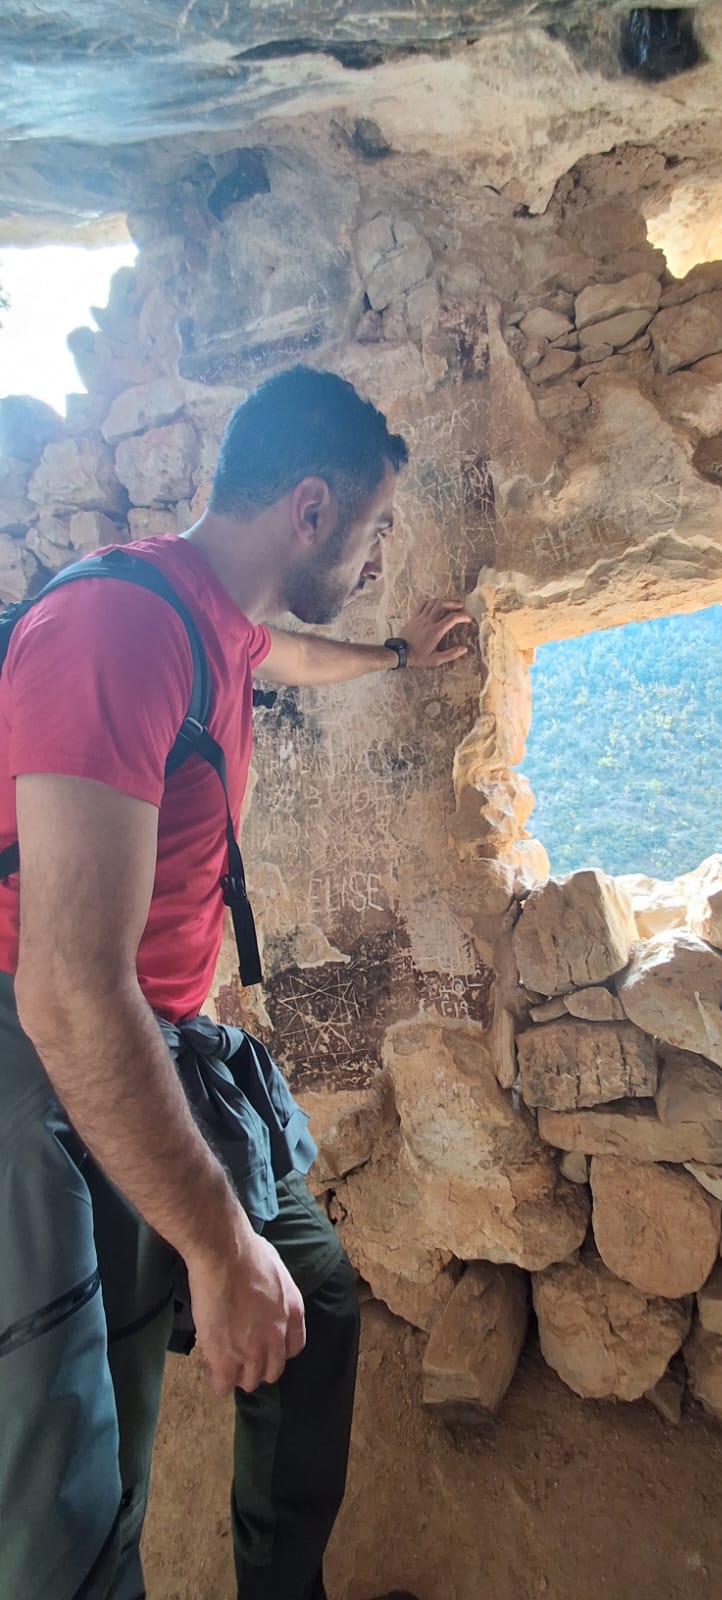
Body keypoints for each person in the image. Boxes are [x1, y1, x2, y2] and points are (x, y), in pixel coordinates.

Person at [0, 364, 472, 1600]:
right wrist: (214, 1247)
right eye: (373, 527)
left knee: (310, 1295)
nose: (378, 555)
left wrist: (394, 653)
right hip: (49, 1064)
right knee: (87, 1469)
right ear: (311, 509)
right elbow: (66, 991)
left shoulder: (220, 619)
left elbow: (281, 656)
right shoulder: (117, 628)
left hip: (158, 1033)